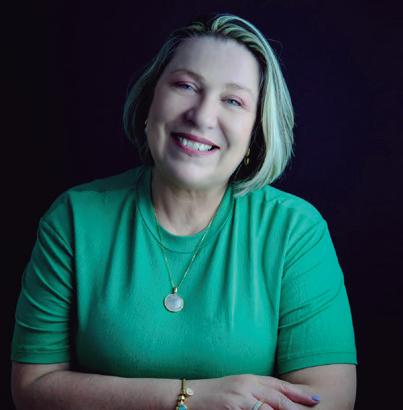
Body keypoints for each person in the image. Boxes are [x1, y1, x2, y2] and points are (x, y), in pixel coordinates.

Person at [11, 13, 357, 410]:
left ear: (255, 135)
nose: (202, 116)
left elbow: (330, 399)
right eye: (186, 85)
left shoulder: (296, 230)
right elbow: (32, 387)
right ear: (150, 102)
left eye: (233, 100)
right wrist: (189, 397)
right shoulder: (73, 219)